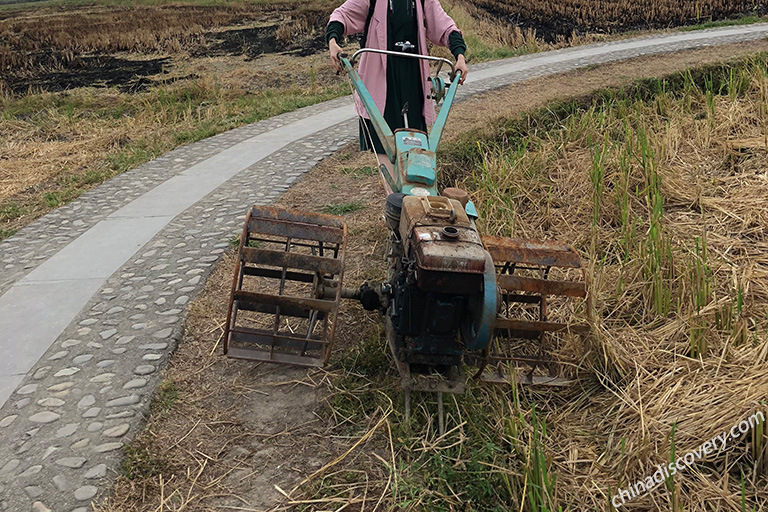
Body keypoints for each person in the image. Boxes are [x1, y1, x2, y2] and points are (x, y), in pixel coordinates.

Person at [326, 0, 468, 188]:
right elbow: (342, 15)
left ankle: (415, 198)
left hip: (413, 80)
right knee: (387, 149)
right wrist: (333, 42)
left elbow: (444, 26)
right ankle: (395, 201)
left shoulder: (423, 1)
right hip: (381, 81)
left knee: (416, 146)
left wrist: (459, 56)